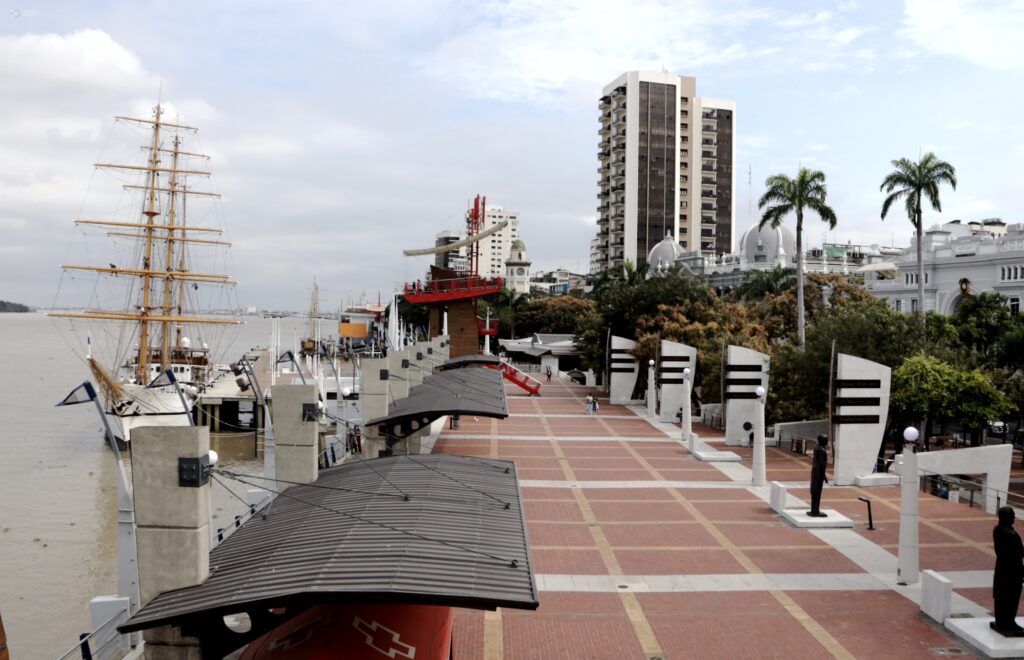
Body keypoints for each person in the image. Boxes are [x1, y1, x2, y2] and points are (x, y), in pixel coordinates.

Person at [992, 506, 1024, 636]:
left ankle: (1000, 620)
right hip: (1013, 572)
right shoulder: (1011, 535)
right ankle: (1009, 622)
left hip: (1001, 569)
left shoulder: (997, 529)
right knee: (1011, 597)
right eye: (1012, 515)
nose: (1014, 517)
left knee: (1000, 596)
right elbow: (1020, 553)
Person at [808, 434, 829, 517]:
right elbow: (821, 465)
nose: (827, 441)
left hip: (815, 471)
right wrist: (824, 476)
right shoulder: (822, 450)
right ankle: (815, 511)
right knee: (817, 492)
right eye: (826, 439)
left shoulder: (817, 448)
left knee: (814, 491)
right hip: (818, 473)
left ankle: (814, 510)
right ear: (822, 440)